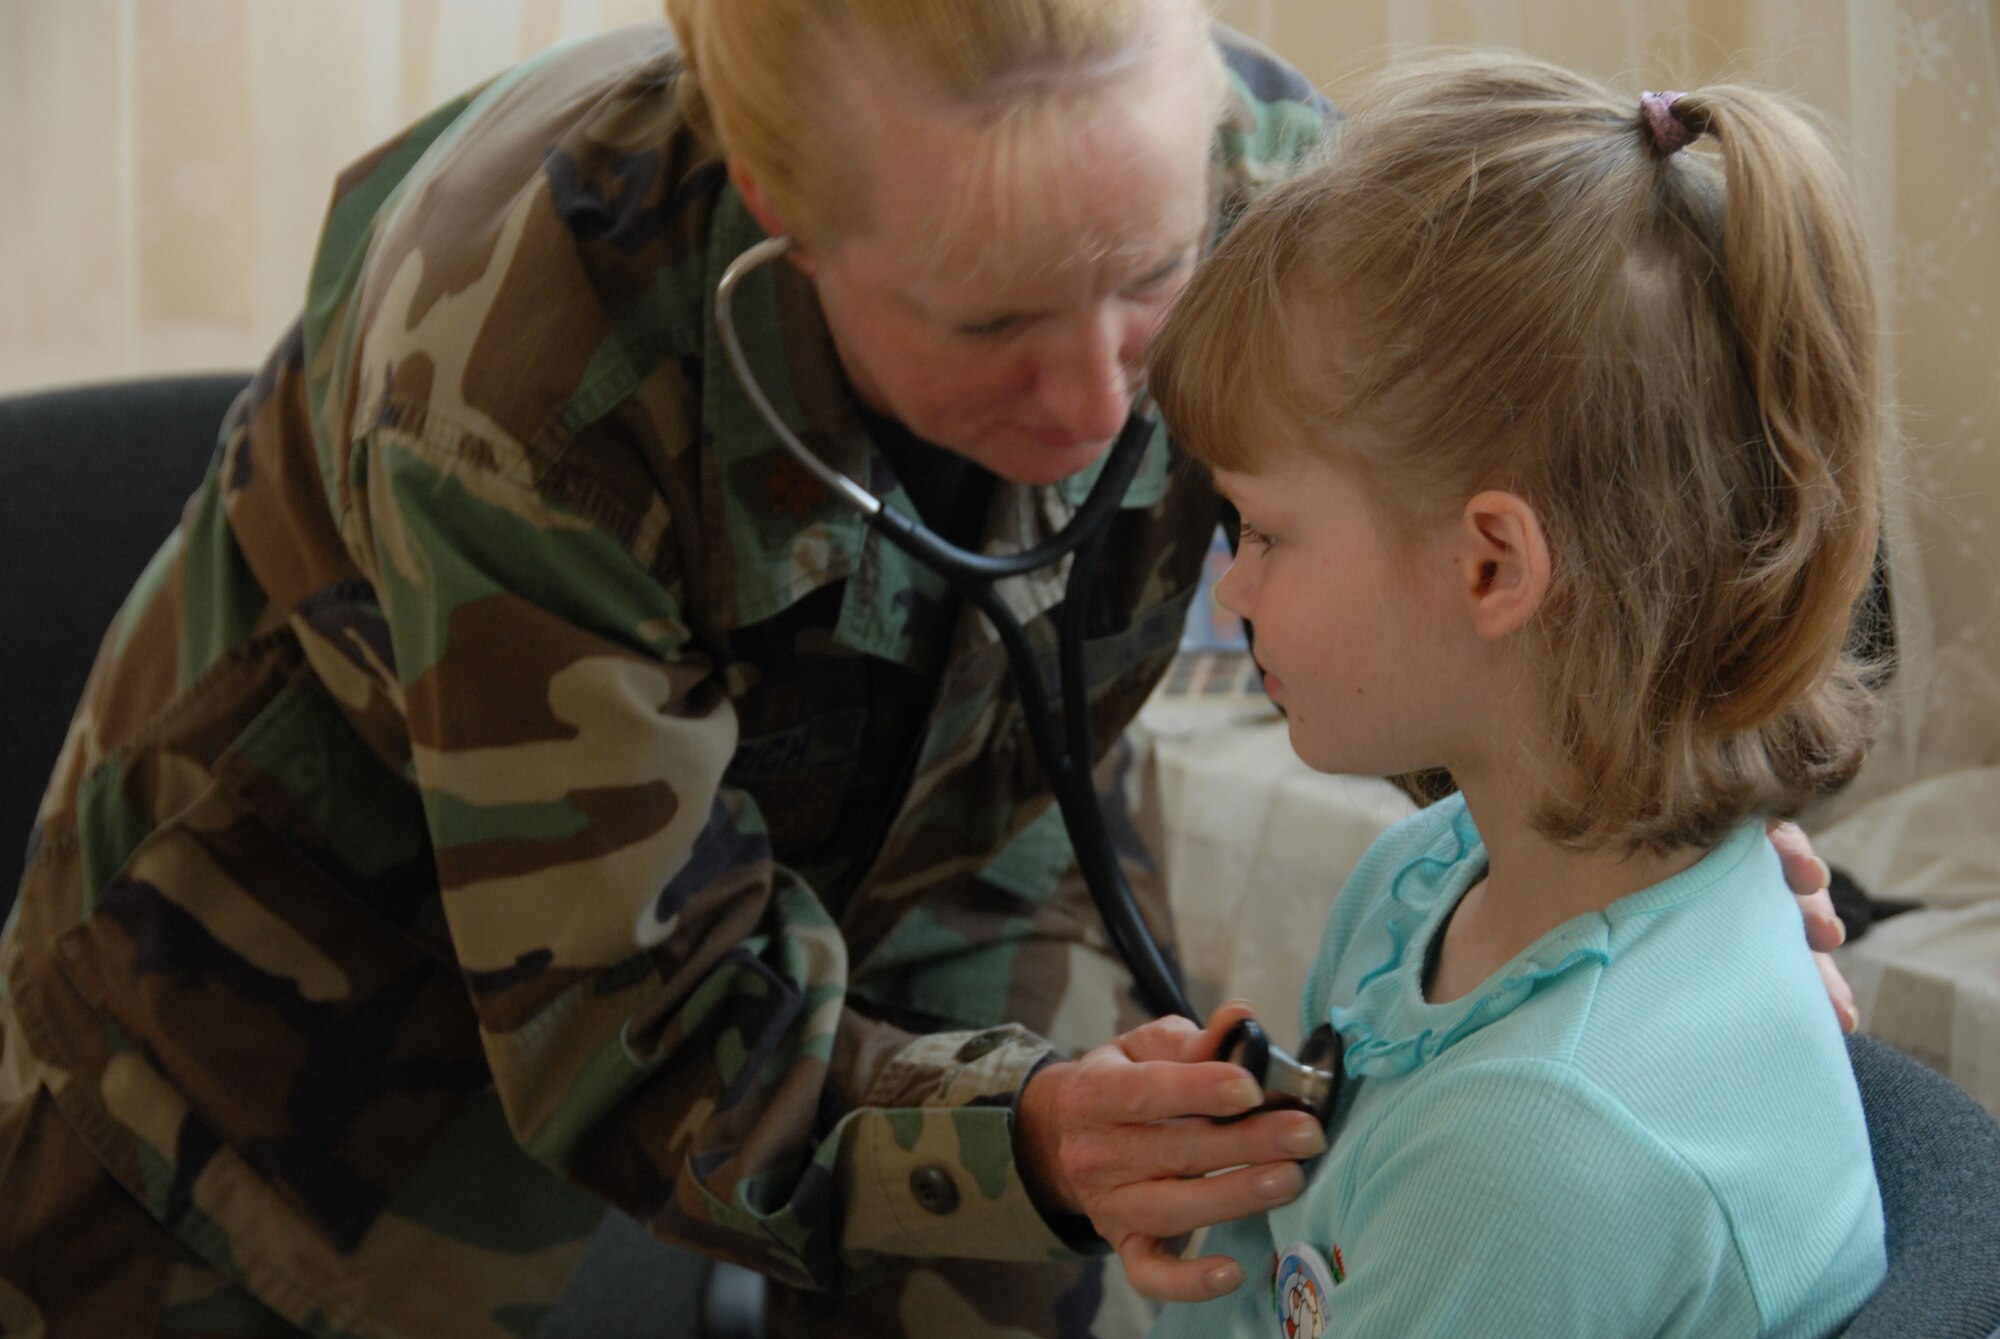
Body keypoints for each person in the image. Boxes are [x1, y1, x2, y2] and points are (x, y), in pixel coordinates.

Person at [0, 4, 1849, 1336]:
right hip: (329, 962)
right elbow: (636, 1026)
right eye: (987, 318)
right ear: (777, 214)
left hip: (962, 828)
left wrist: (1646, 845)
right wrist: (1023, 1131)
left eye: (1148, 275)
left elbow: (1510, 563)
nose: (1098, 409)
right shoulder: (524, 360)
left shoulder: (1277, 189)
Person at [1126, 53, 1888, 1337]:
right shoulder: (1424, 880)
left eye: (1258, 530)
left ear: (1489, 564)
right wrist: (1222, 1189)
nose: (1232, 590)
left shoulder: (1535, 1153)